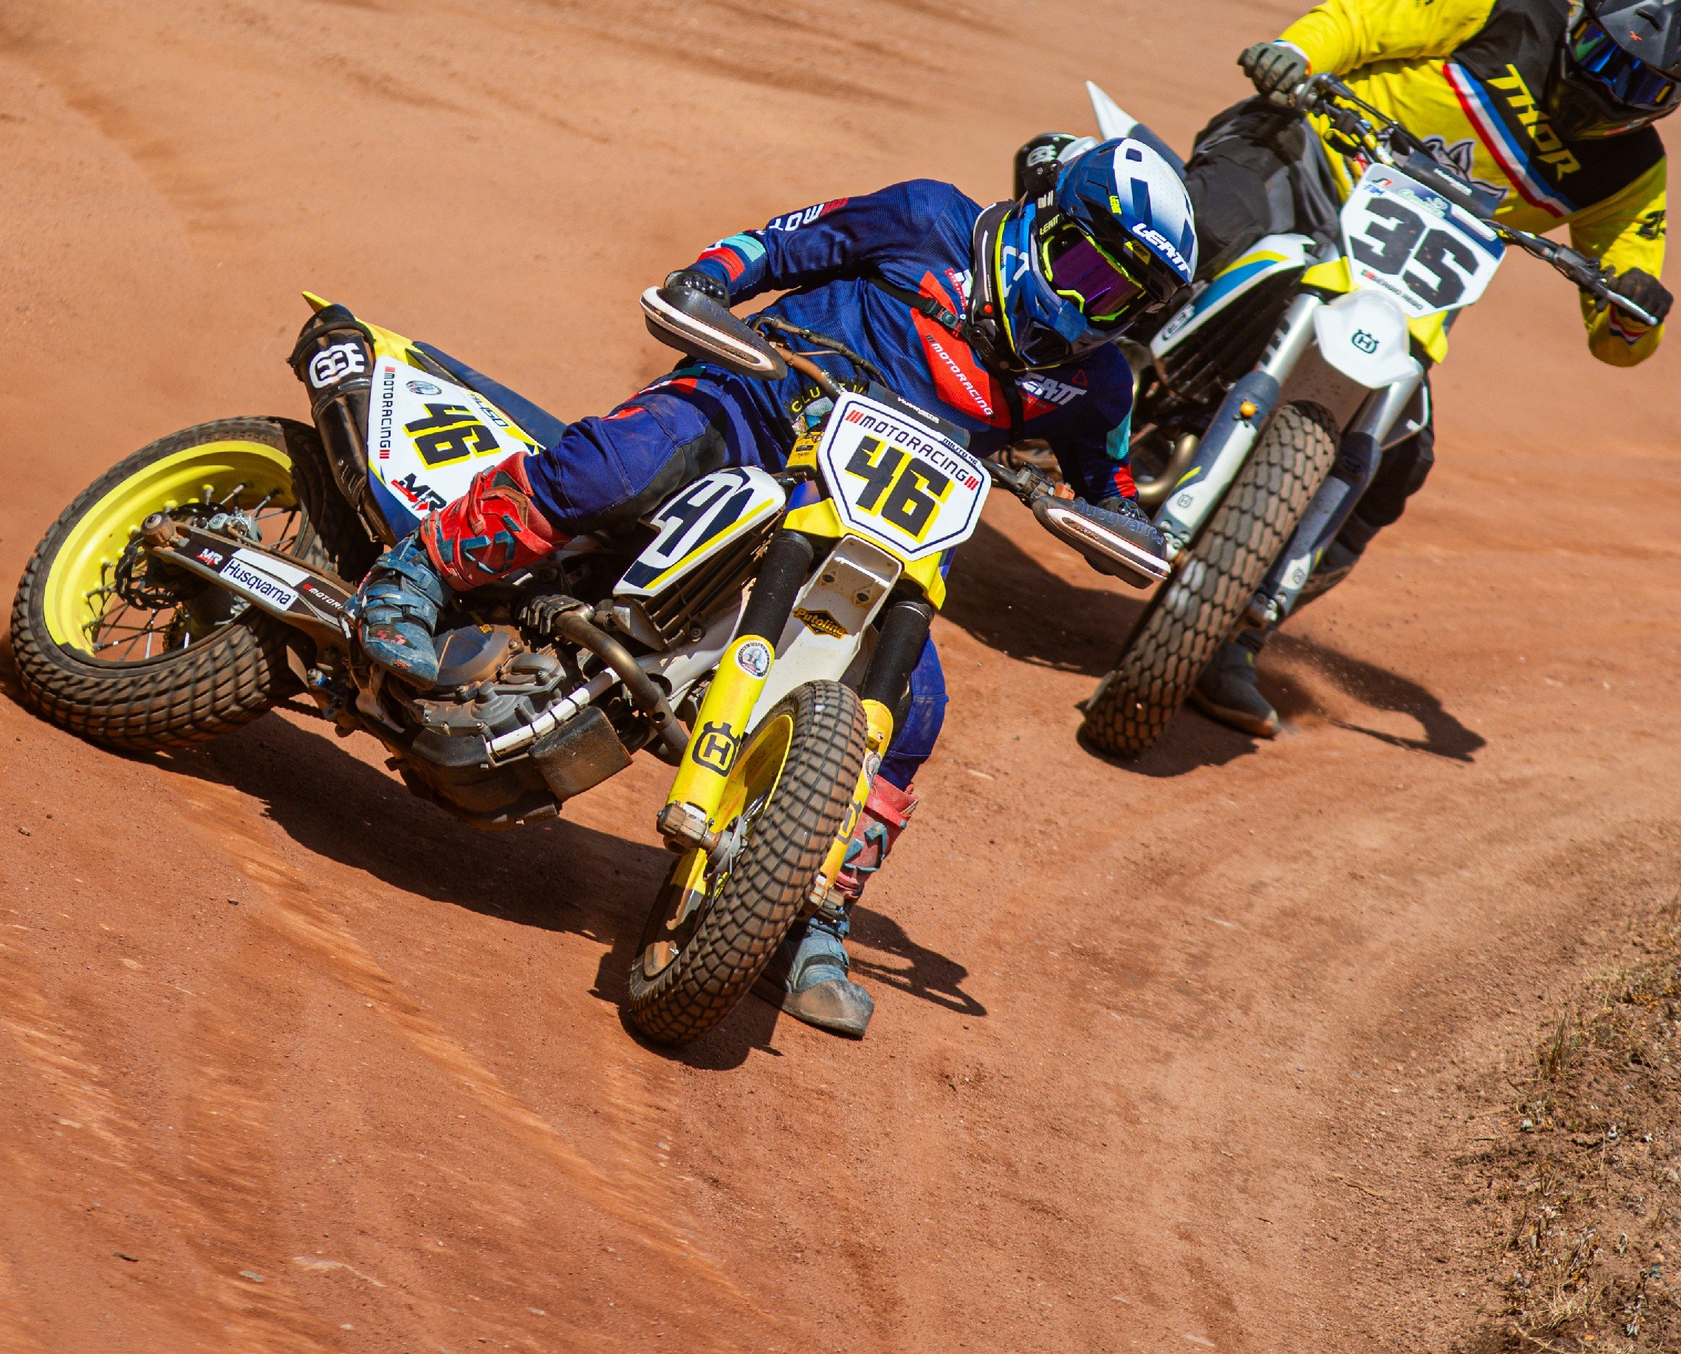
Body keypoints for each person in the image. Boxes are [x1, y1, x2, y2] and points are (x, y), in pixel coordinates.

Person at [350, 138, 1198, 1036]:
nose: (1088, 305)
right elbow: (779, 245)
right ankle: (414, 575)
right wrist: (706, 282)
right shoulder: (926, 217)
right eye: (1085, 269)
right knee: (616, 469)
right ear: (1048, 220)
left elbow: (1111, 488)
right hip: (758, 406)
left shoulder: (1095, 380)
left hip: (878, 526)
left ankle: (810, 902)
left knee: (916, 713)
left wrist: (1140, 532)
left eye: (1121, 298)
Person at [1177, 0, 1681, 738]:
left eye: (1640, 83)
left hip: (1401, 283)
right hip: (1303, 160)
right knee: (1199, 236)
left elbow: (1624, 310)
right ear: (1579, 14)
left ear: (1677, 99)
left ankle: (1234, 631)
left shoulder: (1631, 171)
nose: (1610, 84)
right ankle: (1043, 364)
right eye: (1604, 53)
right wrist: (1296, 52)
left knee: (1400, 461)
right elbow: (1361, 22)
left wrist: (1634, 310)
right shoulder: (1501, 4)